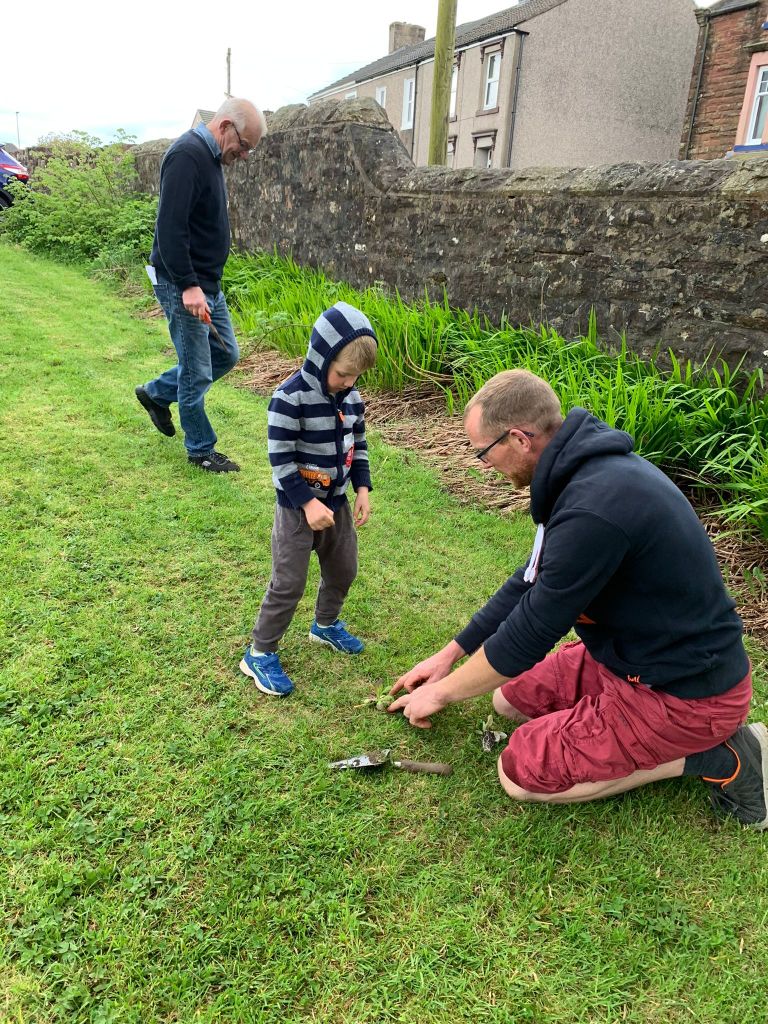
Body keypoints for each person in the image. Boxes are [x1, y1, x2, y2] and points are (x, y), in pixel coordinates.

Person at [389, 369, 767, 829]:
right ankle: (621, 723)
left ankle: (717, 754)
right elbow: (529, 582)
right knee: (508, 700)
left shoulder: (594, 508)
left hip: (685, 692)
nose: (482, 465)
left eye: (483, 452)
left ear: (519, 439)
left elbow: (530, 633)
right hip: (631, 659)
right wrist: (450, 654)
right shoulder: (579, 476)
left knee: (520, 773)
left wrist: (441, 693)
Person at [240, 302, 378, 696]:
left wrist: (362, 488)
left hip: (336, 505)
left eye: (356, 376)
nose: (348, 383)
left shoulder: (351, 399)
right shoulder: (289, 398)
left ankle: (325, 624)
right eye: (342, 374)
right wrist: (307, 503)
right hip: (297, 509)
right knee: (288, 582)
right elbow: (280, 461)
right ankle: (259, 653)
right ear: (320, 357)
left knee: (344, 569)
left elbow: (358, 444)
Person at [135, 97, 267, 472]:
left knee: (225, 355)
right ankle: (201, 450)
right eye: (244, 145)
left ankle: (156, 393)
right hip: (184, 284)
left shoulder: (210, 158)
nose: (244, 155)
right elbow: (170, 229)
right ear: (225, 126)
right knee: (197, 369)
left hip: (207, 283)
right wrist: (189, 286)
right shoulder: (187, 155)